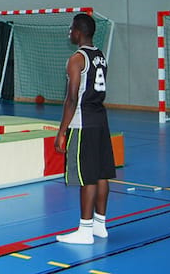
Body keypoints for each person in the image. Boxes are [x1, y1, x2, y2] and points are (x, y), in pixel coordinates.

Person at [54, 13, 115, 244]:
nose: (70, 33)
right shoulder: (100, 56)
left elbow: (72, 99)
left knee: (87, 177)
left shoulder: (76, 59)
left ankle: (85, 230)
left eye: (71, 29)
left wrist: (62, 131)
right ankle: (100, 224)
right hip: (101, 121)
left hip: (83, 122)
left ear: (79, 31)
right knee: (101, 174)